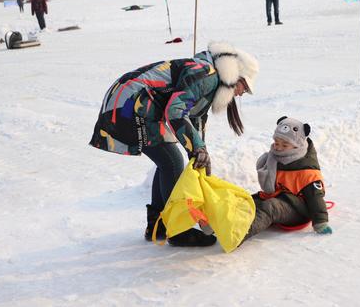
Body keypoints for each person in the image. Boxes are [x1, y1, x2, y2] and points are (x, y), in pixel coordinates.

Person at [89, 42, 260, 247]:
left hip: (136, 102)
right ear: (234, 76)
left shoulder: (209, 76)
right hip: (130, 103)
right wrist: (196, 149)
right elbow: (176, 111)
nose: (241, 93)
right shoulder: (207, 75)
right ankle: (177, 230)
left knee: (167, 161)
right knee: (172, 162)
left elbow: (194, 117)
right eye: (244, 87)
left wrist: (200, 150)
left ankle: (158, 225)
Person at [241, 117, 332, 241]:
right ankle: (222, 222)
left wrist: (321, 222)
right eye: (277, 143)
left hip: (299, 210)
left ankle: (239, 233)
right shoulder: (275, 159)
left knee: (270, 207)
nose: (278, 148)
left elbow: (315, 198)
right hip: (280, 198)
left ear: (297, 146)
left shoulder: (308, 172)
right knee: (248, 200)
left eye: (285, 145)